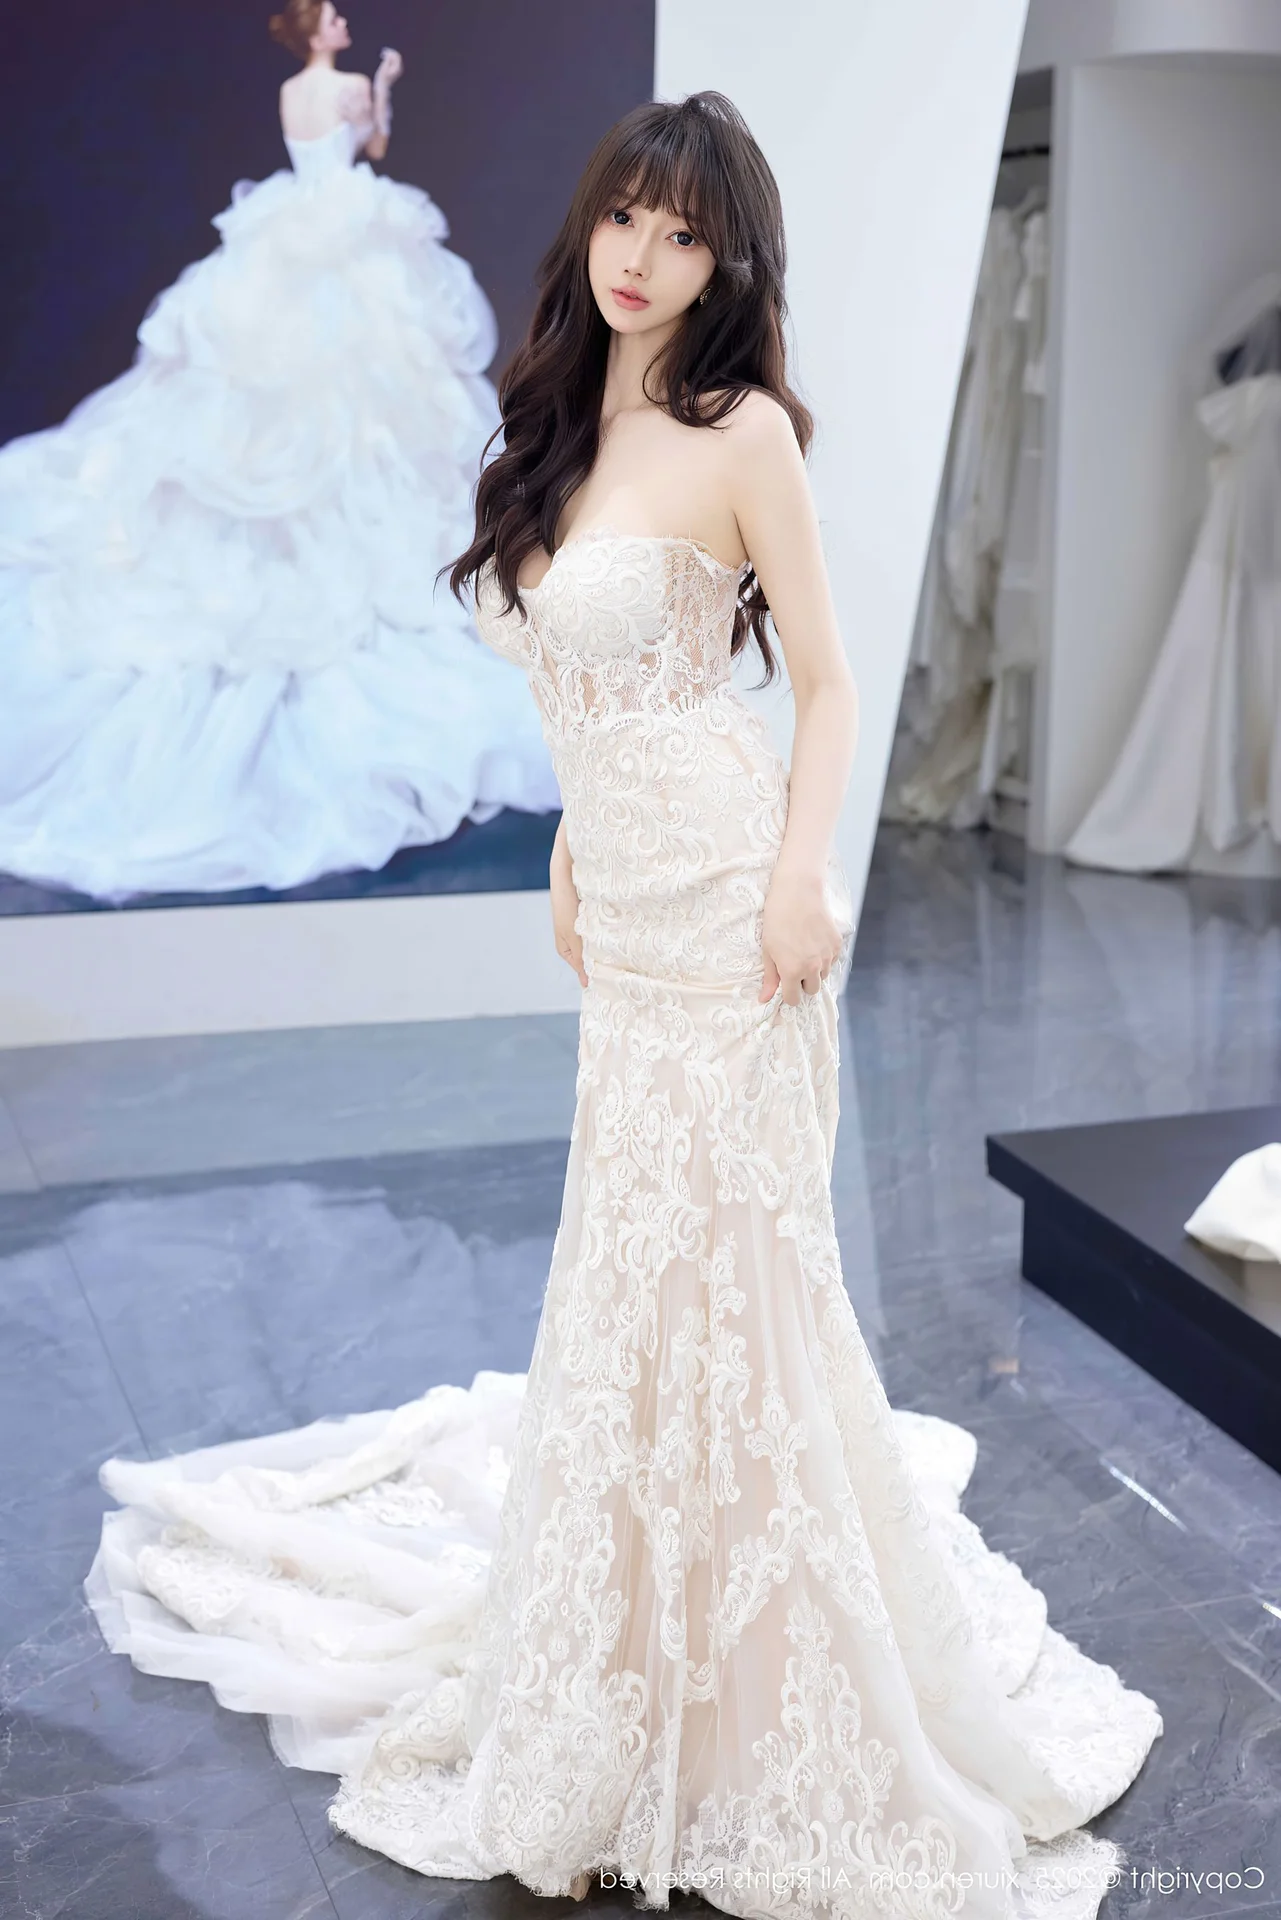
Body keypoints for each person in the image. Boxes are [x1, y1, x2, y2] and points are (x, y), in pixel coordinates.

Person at [86, 93, 1161, 1917]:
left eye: (681, 232)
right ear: (590, 229)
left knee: (731, 1290)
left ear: (726, 263)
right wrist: (578, 847)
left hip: (736, 914)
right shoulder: (568, 421)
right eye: (624, 219)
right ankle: (626, 1675)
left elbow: (826, 684)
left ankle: (750, 1706)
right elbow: (598, 685)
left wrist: (804, 877)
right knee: (630, 1292)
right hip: (630, 916)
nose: (643, 256)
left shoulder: (743, 432)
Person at [0, 0, 559, 902]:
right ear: (317, 32)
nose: (341, 24)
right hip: (337, 240)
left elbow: (318, 157)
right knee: (347, 389)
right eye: (333, 17)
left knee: (291, 392)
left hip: (289, 230)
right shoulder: (345, 87)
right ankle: (347, 552)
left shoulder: (292, 94)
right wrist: (383, 86)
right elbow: (372, 147)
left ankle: (325, 535)